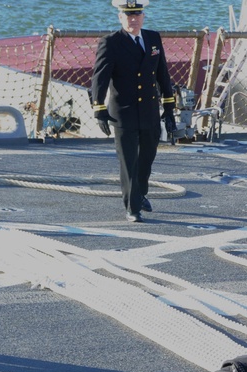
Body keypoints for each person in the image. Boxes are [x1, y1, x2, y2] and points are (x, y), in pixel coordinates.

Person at [90, 0, 177, 223]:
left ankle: (140, 193)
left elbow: (162, 75)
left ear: (143, 16)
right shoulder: (110, 43)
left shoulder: (153, 39)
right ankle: (132, 207)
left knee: (147, 159)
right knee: (129, 162)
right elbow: (100, 79)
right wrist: (99, 109)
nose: (133, 19)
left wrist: (168, 109)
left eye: (137, 14)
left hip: (149, 111)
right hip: (124, 113)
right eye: (128, 15)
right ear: (120, 17)